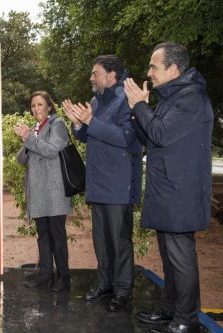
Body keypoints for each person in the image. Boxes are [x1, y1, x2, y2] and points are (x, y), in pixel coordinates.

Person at [124, 42, 213, 333]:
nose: (148, 71)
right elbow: (152, 137)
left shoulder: (191, 98)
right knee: (169, 257)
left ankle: (186, 320)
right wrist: (135, 110)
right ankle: (171, 309)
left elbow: (161, 134)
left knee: (181, 258)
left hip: (180, 193)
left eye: (153, 66)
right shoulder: (172, 97)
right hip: (168, 191)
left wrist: (140, 105)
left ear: (173, 69)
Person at [62, 55, 142, 312]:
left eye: (95, 73)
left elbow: (127, 138)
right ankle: (105, 284)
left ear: (112, 76)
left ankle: (122, 291)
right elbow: (89, 136)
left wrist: (90, 122)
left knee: (119, 242)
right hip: (97, 184)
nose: (91, 77)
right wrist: (78, 124)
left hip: (118, 186)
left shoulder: (127, 101)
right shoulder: (97, 101)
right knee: (100, 241)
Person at [14, 91, 72, 291]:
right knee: (43, 235)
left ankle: (64, 277)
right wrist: (28, 139)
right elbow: (21, 159)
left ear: (49, 106)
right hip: (39, 192)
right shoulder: (36, 128)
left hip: (55, 192)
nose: (36, 109)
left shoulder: (58, 125)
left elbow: (51, 150)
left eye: (40, 104)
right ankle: (45, 275)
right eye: (33, 106)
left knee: (57, 235)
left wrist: (30, 138)